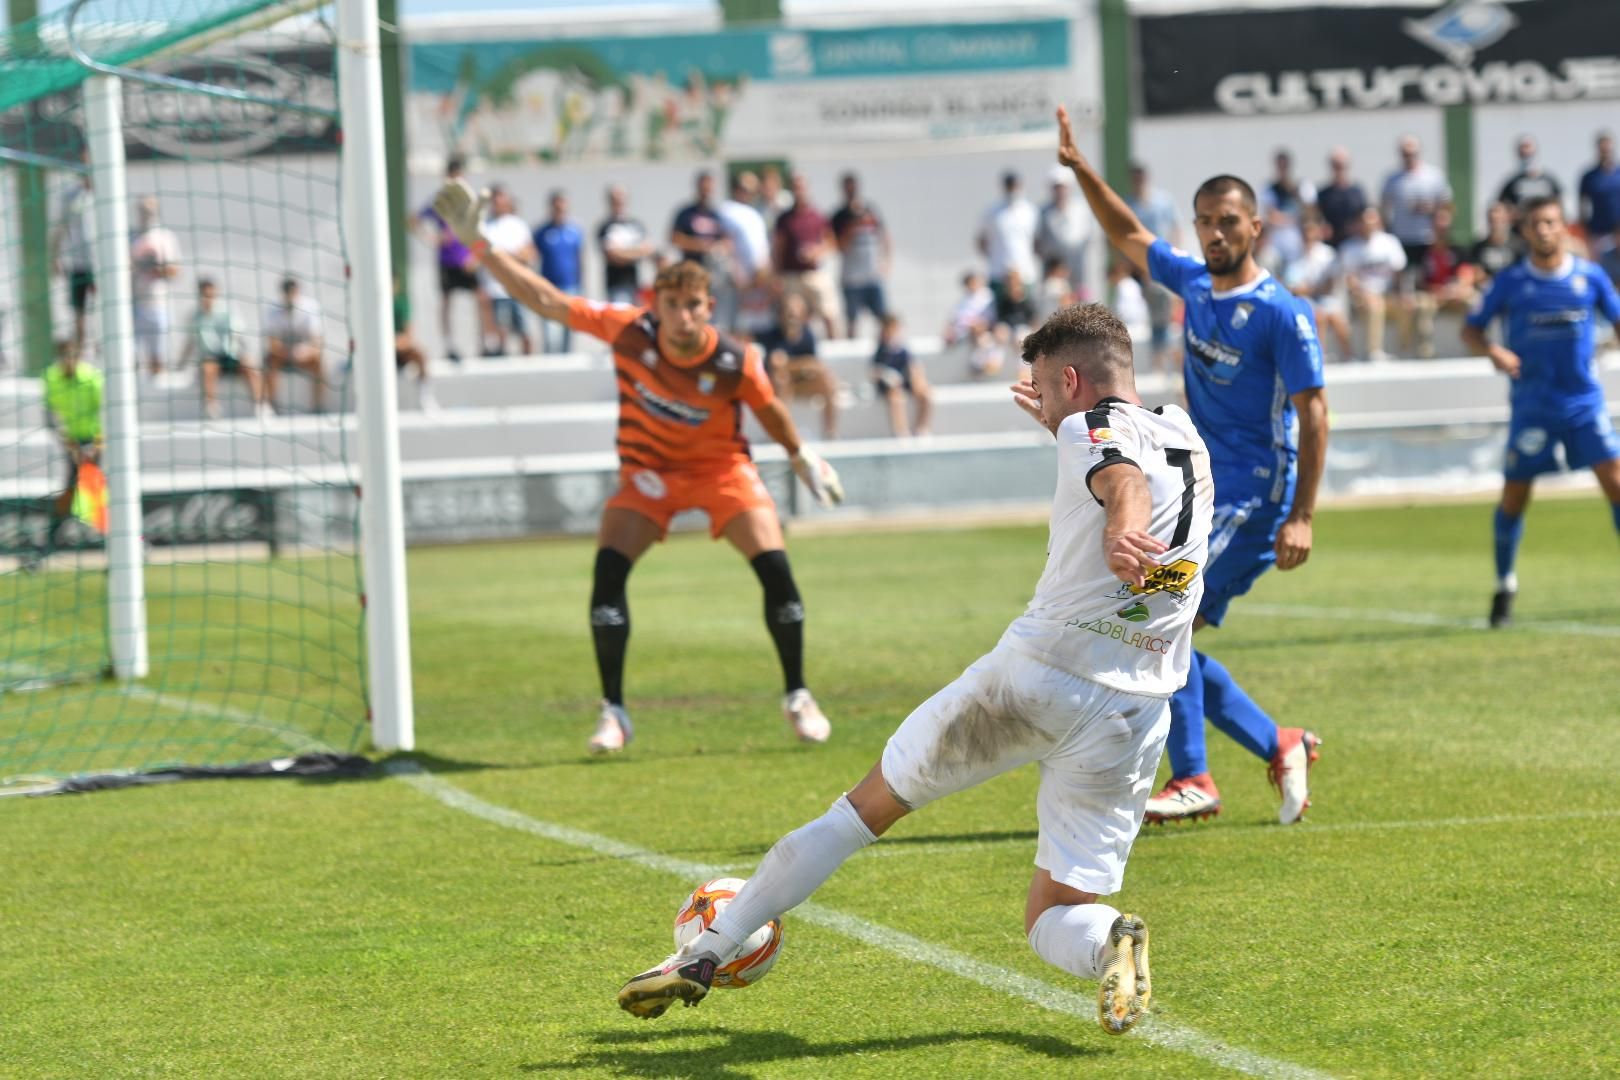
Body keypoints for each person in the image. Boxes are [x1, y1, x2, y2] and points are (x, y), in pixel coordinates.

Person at [615, 303, 1214, 1037]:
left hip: (1037, 679)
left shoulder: (1091, 435)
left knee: (857, 814)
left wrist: (1122, 523)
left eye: (1045, 389)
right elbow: (1120, 457)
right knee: (1053, 911)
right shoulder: (1182, 433)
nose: (1046, 405)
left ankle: (706, 950)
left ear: (1068, 378)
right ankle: (1109, 945)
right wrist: (1072, 440)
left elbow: (1121, 479)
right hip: (1136, 707)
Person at [432, 176, 846, 753]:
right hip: (648, 476)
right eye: (671, 304)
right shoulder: (628, 329)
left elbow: (770, 409)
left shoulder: (734, 359)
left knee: (776, 571)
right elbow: (546, 300)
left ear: (708, 307)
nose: (681, 316)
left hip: (722, 471)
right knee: (607, 577)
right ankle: (614, 712)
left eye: (692, 305)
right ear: (655, 303)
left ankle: (799, 695)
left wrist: (801, 456)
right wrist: (480, 247)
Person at [1056, 104, 1327, 826]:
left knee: (1157, 621)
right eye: (1205, 220)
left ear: (1255, 227)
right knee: (1155, 622)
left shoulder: (1282, 312)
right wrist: (1084, 170)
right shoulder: (1197, 285)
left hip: (1256, 501)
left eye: (1228, 221)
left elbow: (1315, 411)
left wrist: (1300, 514)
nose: (1214, 233)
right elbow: (1128, 234)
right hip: (1205, 496)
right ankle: (1278, 741)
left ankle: (1197, 778)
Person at [1460, 196, 1620, 629]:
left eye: (1550, 222)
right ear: (1525, 232)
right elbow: (1471, 329)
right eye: (1535, 224)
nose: (1544, 230)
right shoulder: (1511, 281)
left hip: (1584, 404)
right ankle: (1504, 586)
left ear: (1564, 225)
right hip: (1532, 407)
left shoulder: (1589, 277)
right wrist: (1494, 351)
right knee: (1514, 497)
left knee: (1617, 484)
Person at [416, 155, 487, 363]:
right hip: (447, 260)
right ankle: (449, 345)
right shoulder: (440, 201)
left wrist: (476, 256)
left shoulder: (470, 201)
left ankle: (483, 344)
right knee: (447, 302)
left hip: (467, 259)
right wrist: (432, 238)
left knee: (481, 300)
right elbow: (415, 220)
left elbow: (482, 231)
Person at [38, 340, 103, 560]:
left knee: (101, 495)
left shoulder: (93, 378)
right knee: (71, 492)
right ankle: (47, 546)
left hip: (96, 443)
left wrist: (96, 446)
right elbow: (51, 418)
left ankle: (137, 544)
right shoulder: (51, 378)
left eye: (74, 356)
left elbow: (107, 415)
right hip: (71, 443)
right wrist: (71, 447)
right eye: (66, 357)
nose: (70, 361)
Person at [178, 278, 264, 419]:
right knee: (208, 369)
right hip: (211, 359)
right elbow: (190, 343)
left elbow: (240, 337)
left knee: (251, 367)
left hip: (232, 356)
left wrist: (246, 355)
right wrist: (180, 366)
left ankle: (260, 406)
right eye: (205, 295)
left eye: (211, 295)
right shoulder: (194, 317)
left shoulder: (228, 311)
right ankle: (211, 408)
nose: (208, 299)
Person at [1125, 163, 1182, 373]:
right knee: (1149, 314)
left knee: (1165, 313)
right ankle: (1156, 361)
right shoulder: (1129, 203)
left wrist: (1173, 255)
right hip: (1139, 268)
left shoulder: (1162, 200)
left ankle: (1164, 360)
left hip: (1161, 264)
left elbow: (1175, 227)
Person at [757, 294, 838, 441]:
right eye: (788, 313)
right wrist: (800, 365)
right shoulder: (772, 335)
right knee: (781, 379)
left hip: (801, 383)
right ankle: (783, 433)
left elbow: (815, 365)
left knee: (827, 382)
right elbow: (775, 365)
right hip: (777, 386)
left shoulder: (808, 335)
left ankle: (830, 433)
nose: (791, 317)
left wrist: (790, 365)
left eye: (795, 313)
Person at [1380, 136, 1452, 295]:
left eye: (1412, 153)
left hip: (1427, 239)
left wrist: (1431, 209)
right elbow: (1384, 207)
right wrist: (1388, 231)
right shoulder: (1392, 179)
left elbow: (1447, 205)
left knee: (1428, 281)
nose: (1409, 157)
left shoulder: (1434, 175)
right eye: (1405, 153)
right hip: (1401, 238)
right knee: (1404, 285)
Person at [772, 173, 838, 340]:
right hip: (791, 275)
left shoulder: (817, 215)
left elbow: (830, 241)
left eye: (801, 186)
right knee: (793, 316)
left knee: (828, 312)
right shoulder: (784, 219)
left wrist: (815, 252)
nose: (798, 190)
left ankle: (834, 347)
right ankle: (796, 350)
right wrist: (777, 275)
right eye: (795, 187)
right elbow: (778, 248)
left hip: (813, 273)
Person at [671, 171, 738, 332]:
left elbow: (727, 240)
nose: (706, 191)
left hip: (713, 274)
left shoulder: (716, 214)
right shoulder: (686, 213)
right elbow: (676, 239)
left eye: (709, 188)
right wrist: (702, 246)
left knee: (712, 311)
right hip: (692, 272)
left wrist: (720, 248)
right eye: (704, 187)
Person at [1339, 207, 1407, 363]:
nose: (1369, 224)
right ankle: (1374, 352)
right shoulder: (1349, 248)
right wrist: (1364, 294)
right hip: (1362, 299)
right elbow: (1350, 280)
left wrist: (1400, 294)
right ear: (1359, 224)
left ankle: (1405, 350)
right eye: (1365, 221)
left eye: (1372, 220)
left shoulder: (1390, 242)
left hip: (1388, 295)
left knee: (1409, 306)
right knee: (1375, 305)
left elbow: (1398, 272)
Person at [829, 172, 891, 339]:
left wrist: (886, 261)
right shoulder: (839, 216)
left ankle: (883, 349)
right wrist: (852, 225)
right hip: (852, 278)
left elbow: (884, 236)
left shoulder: (870, 209)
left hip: (872, 275)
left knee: (882, 317)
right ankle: (851, 347)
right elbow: (838, 247)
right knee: (852, 319)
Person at [1286, 214, 1351, 363]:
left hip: (1326, 298)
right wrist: (1313, 289)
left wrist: (1311, 289)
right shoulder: (1293, 256)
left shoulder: (1328, 254)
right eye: (1305, 231)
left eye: (1311, 231)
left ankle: (1349, 355)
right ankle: (1319, 356)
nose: (1308, 235)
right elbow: (1294, 288)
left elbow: (1330, 284)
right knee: (1318, 316)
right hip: (1304, 300)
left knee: (1336, 317)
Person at [130, 195, 182, 377]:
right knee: (130, 356)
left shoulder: (165, 237)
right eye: (143, 209)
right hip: (132, 304)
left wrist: (156, 269)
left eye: (150, 210)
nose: (147, 214)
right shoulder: (131, 236)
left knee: (157, 356)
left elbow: (175, 270)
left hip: (158, 304)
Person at [263, 276, 325, 414]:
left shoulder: (310, 307)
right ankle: (272, 405)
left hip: (305, 355)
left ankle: (318, 406)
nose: (291, 297)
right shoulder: (271, 310)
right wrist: (288, 352)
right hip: (282, 355)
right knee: (270, 361)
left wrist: (304, 351)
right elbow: (272, 343)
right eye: (288, 294)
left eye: (294, 293)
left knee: (319, 362)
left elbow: (318, 341)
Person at [532, 189, 580, 354]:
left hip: (570, 287)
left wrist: (581, 285)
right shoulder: (541, 232)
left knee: (569, 331)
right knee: (551, 336)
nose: (559, 211)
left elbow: (580, 259)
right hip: (548, 288)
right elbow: (532, 257)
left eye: (562, 208)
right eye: (556, 207)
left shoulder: (574, 231)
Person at [51, 168, 95, 349]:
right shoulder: (70, 195)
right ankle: (82, 352)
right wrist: (54, 256)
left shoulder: (110, 190)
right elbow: (60, 228)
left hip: (104, 264)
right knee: (78, 311)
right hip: (78, 264)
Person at [978, 170, 1039, 300]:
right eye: (1009, 186)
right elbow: (982, 241)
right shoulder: (992, 211)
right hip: (998, 274)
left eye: (1015, 186)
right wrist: (995, 259)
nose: (1012, 190)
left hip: (1025, 275)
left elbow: (1037, 242)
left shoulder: (1030, 211)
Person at [1036, 169, 1093, 300]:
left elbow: (1087, 237)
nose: (1060, 191)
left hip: (1077, 267)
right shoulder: (1043, 212)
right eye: (1057, 187)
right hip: (1053, 269)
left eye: (1063, 187)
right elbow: (1038, 242)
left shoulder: (1081, 208)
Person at [871, 314, 932, 438]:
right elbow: (875, 371)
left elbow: (913, 365)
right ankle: (901, 432)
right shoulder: (881, 351)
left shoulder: (902, 349)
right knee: (896, 398)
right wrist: (888, 377)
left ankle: (922, 428)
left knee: (926, 394)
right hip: (889, 387)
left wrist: (917, 379)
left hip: (905, 382)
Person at [597, 185, 653, 307]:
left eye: (621, 199)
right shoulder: (606, 226)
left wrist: (622, 252)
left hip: (635, 284)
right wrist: (635, 253)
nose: (619, 203)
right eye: (615, 200)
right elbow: (612, 255)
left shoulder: (636, 224)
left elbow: (647, 250)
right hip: (616, 284)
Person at [1260, 149, 1317, 268]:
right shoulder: (1269, 188)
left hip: (1298, 244)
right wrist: (1294, 218)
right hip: (1276, 244)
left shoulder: (1302, 186)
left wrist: (1297, 197)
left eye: (1285, 165)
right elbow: (1271, 216)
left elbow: (1311, 214)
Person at [1496, 135, 1562, 222]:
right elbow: (1501, 205)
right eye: (1523, 151)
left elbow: (1560, 203)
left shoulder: (1549, 180)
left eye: (1528, 149)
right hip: (1520, 230)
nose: (1526, 153)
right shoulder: (1512, 183)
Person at [394, 277, 434, 411]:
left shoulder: (401, 304)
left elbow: (408, 335)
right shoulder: (371, 307)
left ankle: (424, 396)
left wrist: (395, 342)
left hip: (398, 349)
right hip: (381, 352)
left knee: (420, 356)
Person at [1578, 132, 1620, 256]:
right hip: (1599, 232)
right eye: (1603, 149)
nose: (1605, 152)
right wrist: (1586, 229)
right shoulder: (1589, 176)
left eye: (1608, 149)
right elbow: (1582, 204)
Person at [1316, 147, 1367, 249]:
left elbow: (1364, 216)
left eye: (1341, 165)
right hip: (1330, 246)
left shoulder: (1357, 192)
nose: (1339, 169)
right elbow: (1316, 218)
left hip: (1354, 245)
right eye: (1335, 165)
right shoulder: (1323, 194)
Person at [1469, 201, 1519, 285]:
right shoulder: (1478, 248)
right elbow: (1477, 275)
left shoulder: (1519, 247)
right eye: (1492, 219)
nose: (1495, 221)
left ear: (1507, 218)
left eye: (1499, 219)